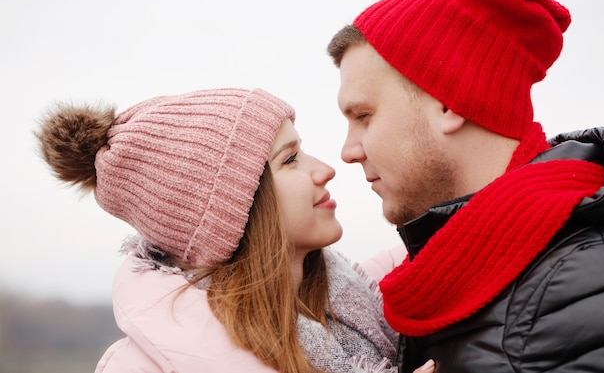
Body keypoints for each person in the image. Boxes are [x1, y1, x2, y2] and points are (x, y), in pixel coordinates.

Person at [327, 0, 604, 373]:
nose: (348, 151)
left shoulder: (580, 284)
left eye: (363, 115)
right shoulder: (458, 271)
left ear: (450, 103)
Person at [36, 88, 436, 373]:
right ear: (232, 212)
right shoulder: (145, 367)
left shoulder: (377, 298)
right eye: (290, 159)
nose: (325, 169)